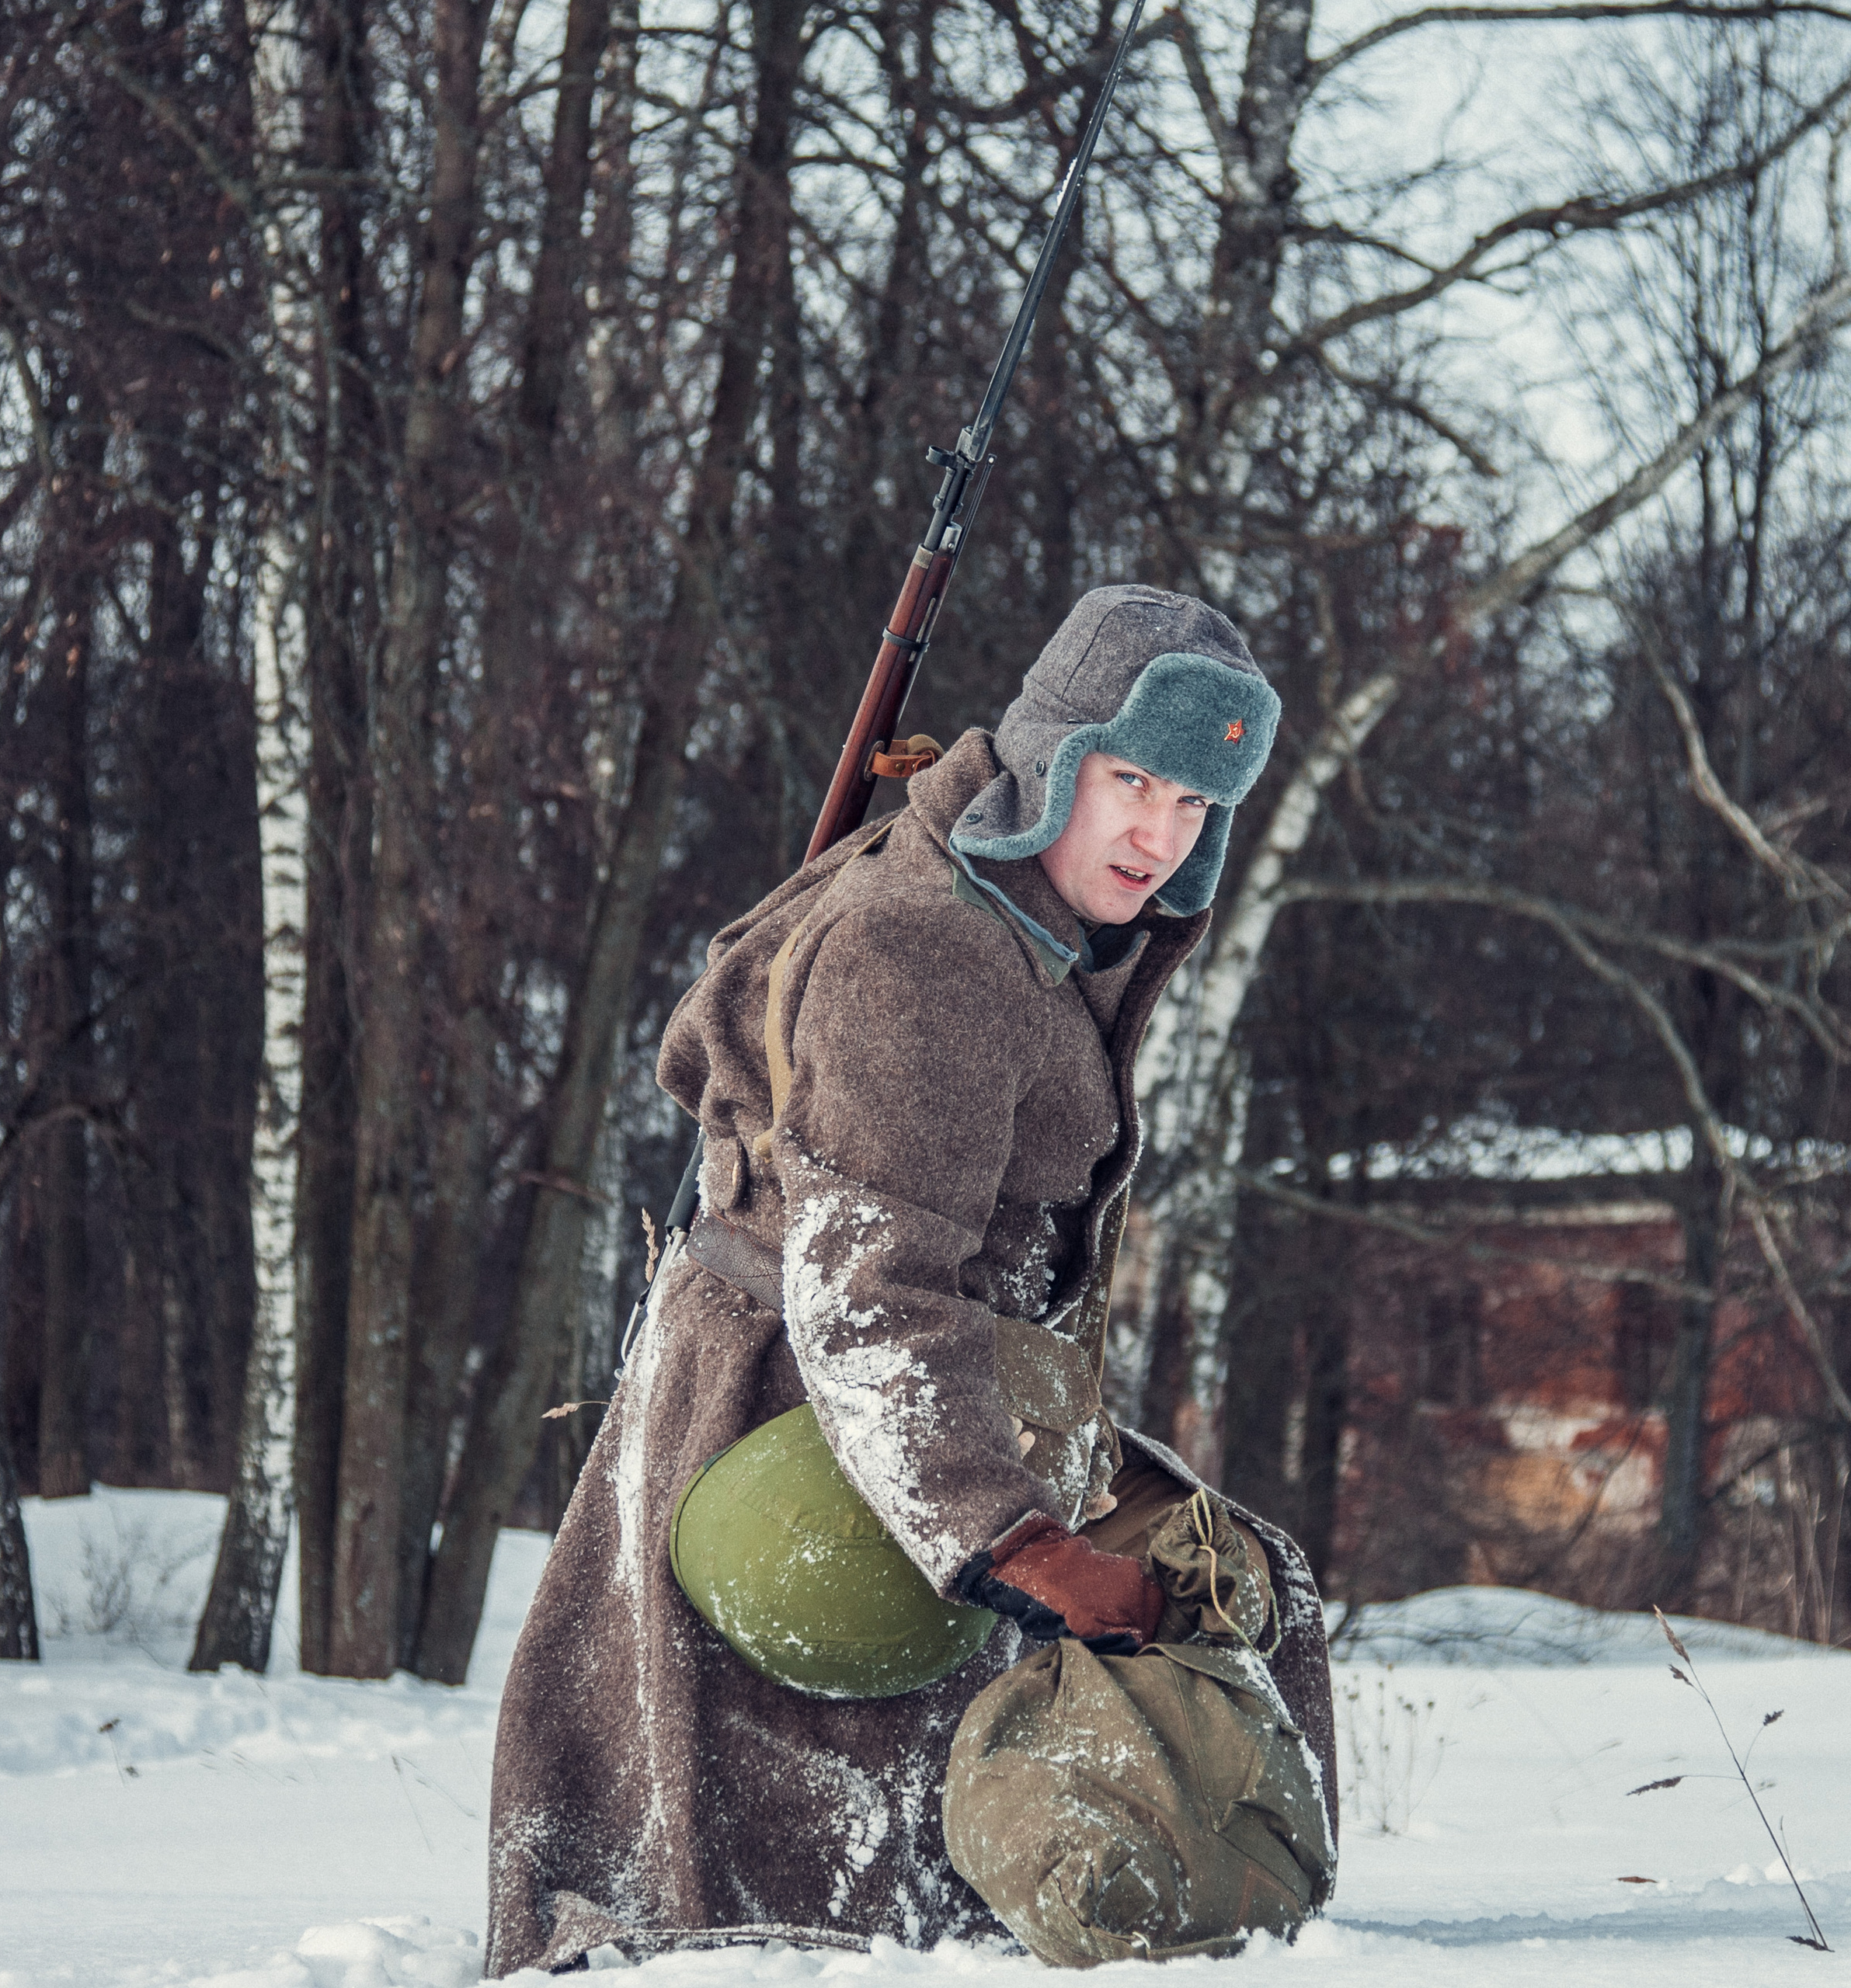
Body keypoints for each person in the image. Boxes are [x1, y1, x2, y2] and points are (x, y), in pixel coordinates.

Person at [485, 586, 1336, 1972]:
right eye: (1131, 781)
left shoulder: (1031, 916)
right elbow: (870, 1291)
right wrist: (1015, 1544)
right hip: (807, 1420)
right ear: (1053, 757)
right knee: (781, 1895)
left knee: (1244, 1589)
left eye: (1194, 802)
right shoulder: (926, 946)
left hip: (925, 1402)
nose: (1158, 835)